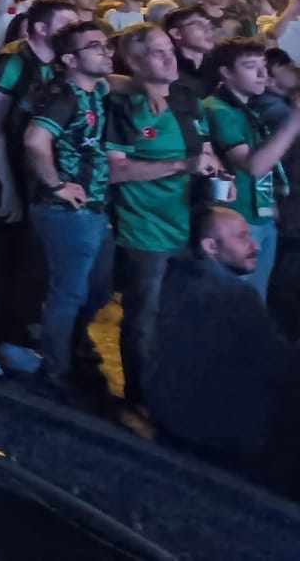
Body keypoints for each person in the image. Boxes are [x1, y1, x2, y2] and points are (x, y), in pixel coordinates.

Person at [0, 0, 77, 378]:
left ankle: (14, 338)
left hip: (29, 173)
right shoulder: (10, 61)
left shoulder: (59, 67)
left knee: (29, 260)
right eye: (65, 26)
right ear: (40, 28)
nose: (72, 34)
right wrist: (6, 184)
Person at [146, 206, 300, 492]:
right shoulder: (234, 298)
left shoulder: (177, 280)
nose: (254, 245)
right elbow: (278, 368)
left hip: (173, 423)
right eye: (242, 238)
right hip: (219, 439)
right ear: (211, 247)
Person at [105, 22, 218, 410]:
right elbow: (116, 170)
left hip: (189, 222)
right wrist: (179, 165)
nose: (170, 56)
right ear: (134, 61)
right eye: (157, 52)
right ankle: (140, 396)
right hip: (144, 227)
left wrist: (217, 171)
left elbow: (202, 149)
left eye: (168, 47)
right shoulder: (121, 107)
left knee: (184, 313)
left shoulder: (186, 95)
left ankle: (177, 389)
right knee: (142, 319)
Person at [19, 20, 115, 398]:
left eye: (106, 45)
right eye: (95, 46)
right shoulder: (63, 96)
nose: (106, 52)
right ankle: (56, 372)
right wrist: (56, 185)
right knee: (70, 293)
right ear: (69, 58)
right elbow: (34, 139)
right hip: (66, 211)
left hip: (93, 206)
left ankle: (65, 352)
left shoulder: (95, 90)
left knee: (97, 288)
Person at [200, 38, 300, 299]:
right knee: (240, 302)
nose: (262, 74)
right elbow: (253, 166)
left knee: (258, 299)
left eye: (263, 66)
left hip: (261, 216)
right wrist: (295, 120)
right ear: (226, 72)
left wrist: (271, 207)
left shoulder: (249, 106)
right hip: (236, 220)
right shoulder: (218, 108)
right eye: (250, 66)